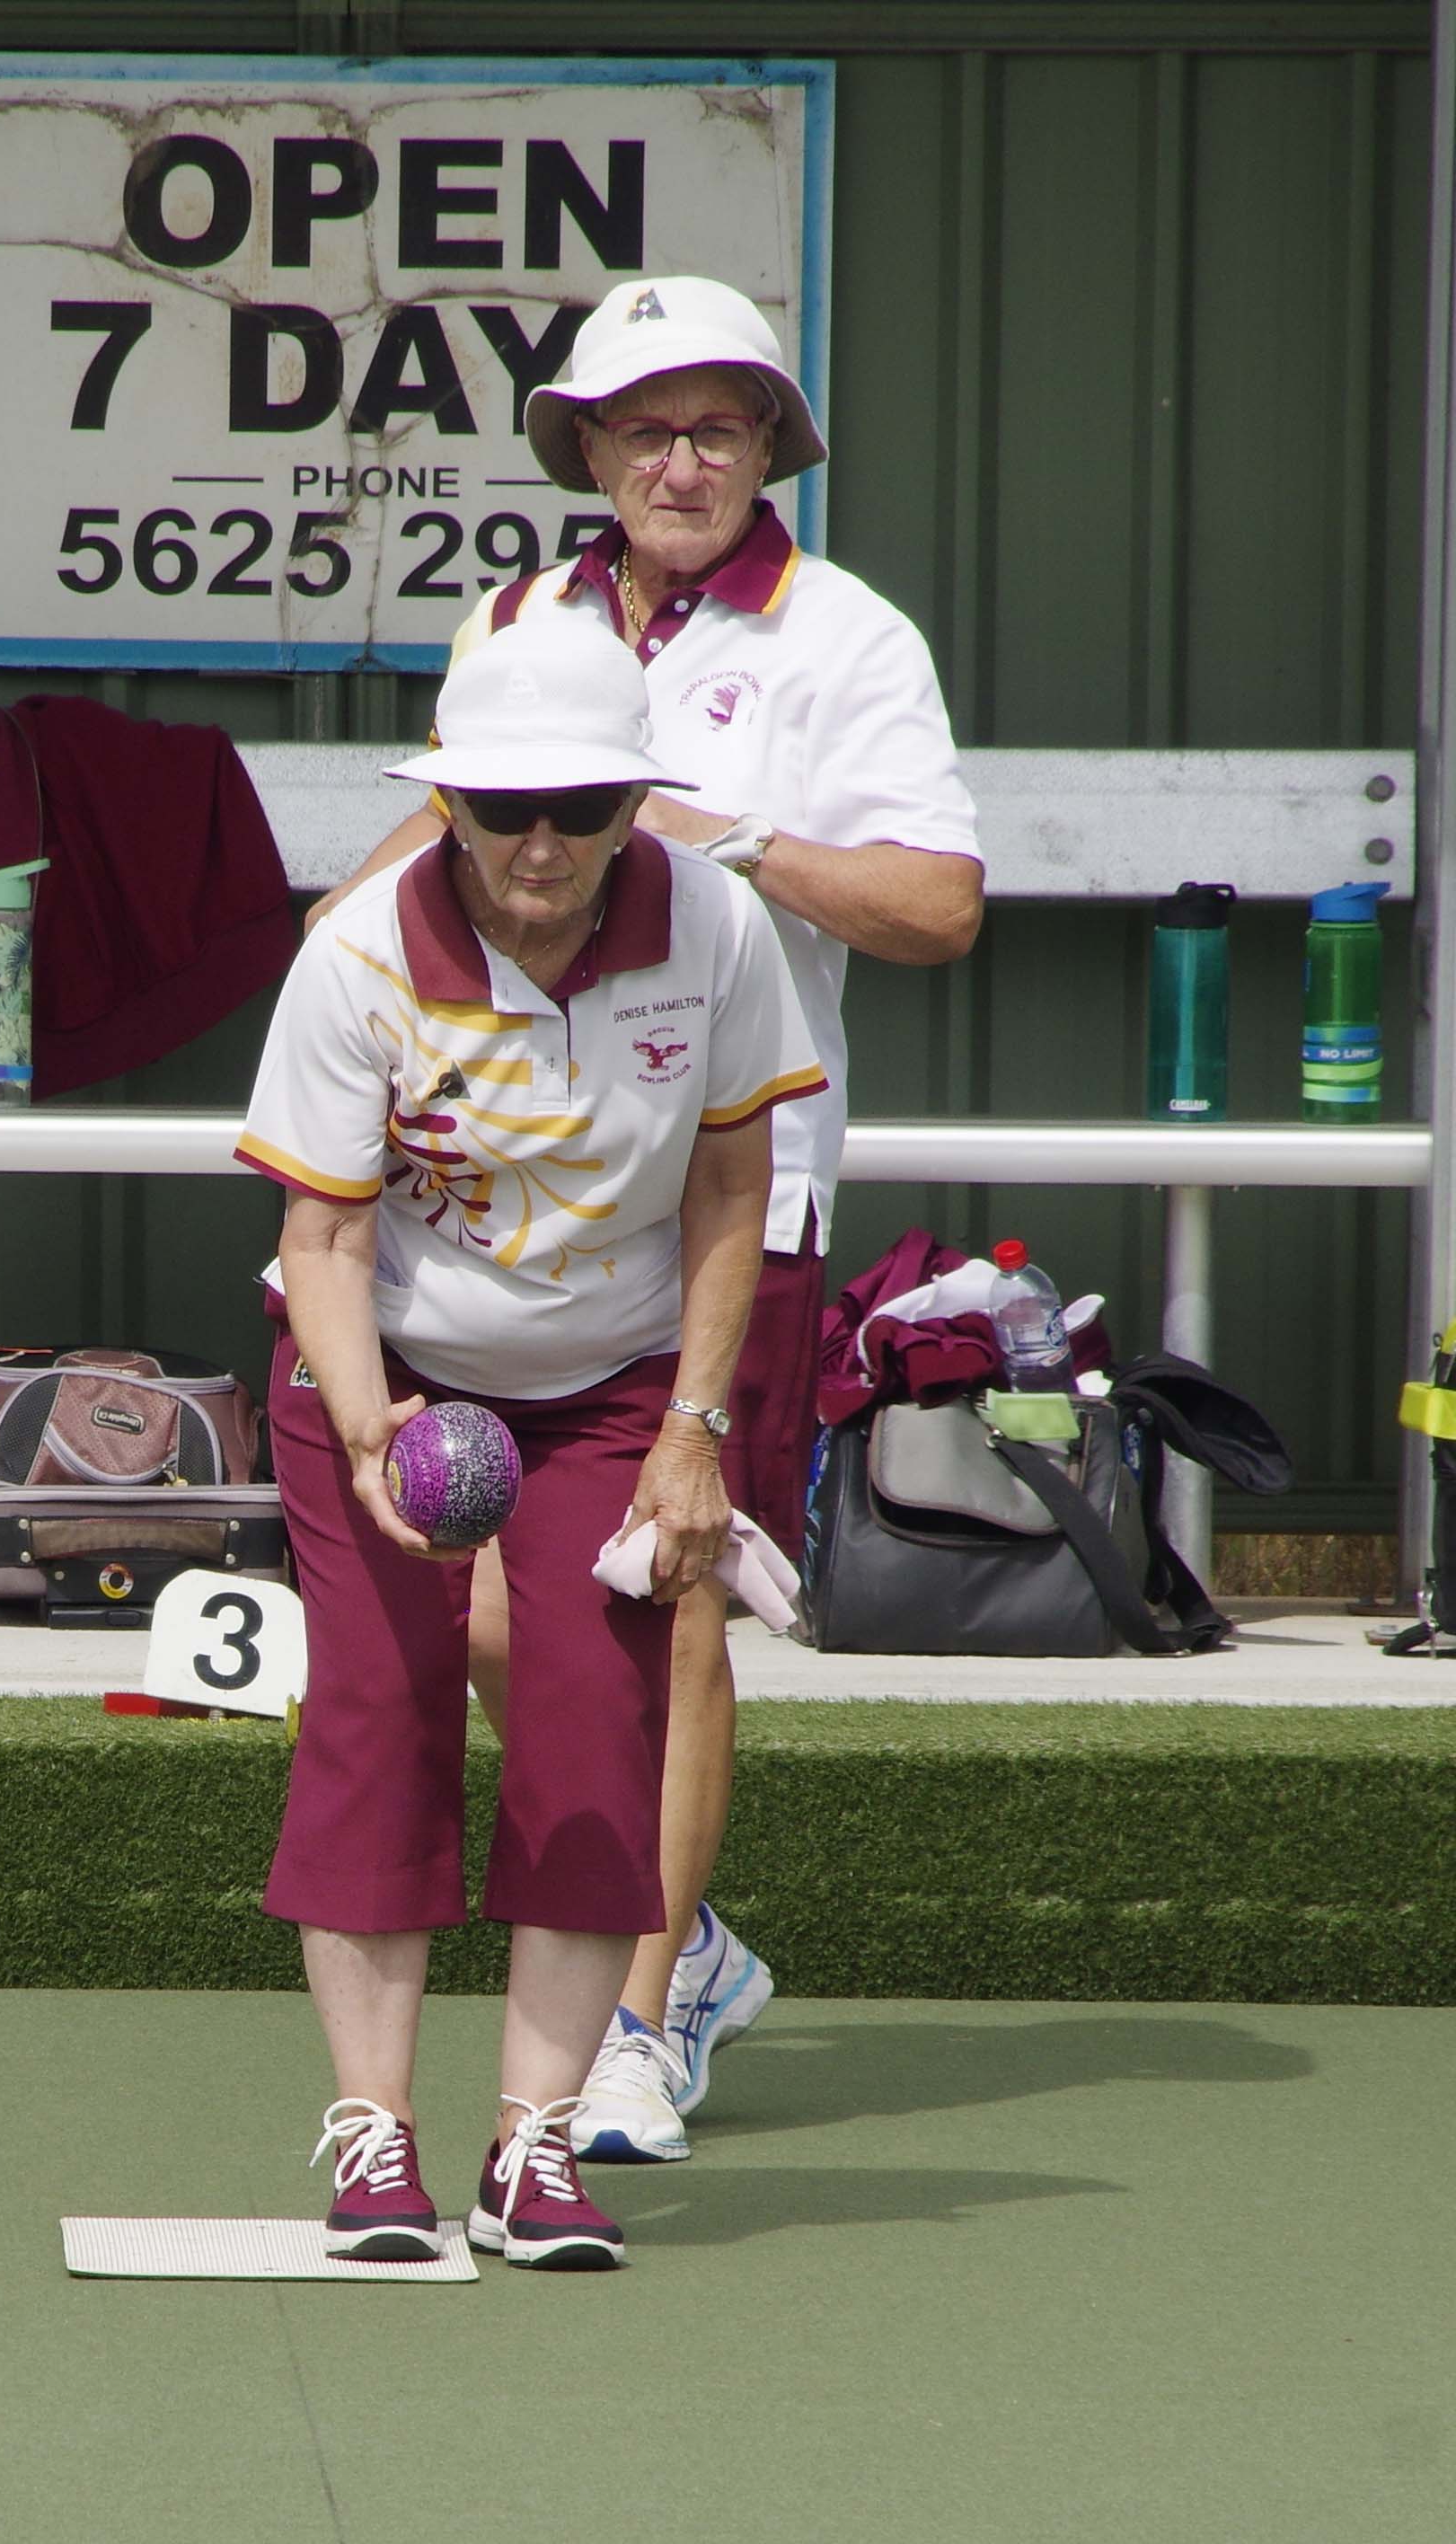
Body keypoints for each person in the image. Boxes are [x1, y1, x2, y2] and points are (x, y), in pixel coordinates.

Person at [306, 275, 983, 2164]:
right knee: (512, 1608)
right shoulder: (518, 617)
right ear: (584, 451)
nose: (682, 460)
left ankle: (642, 2000)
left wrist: (725, 835)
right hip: (483, 1220)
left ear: (770, 446)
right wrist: (330, 959)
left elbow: (934, 911)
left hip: (717, 1208)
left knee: (657, 1597)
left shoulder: (842, 635)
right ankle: (660, 1925)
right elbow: (432, 842)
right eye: (643, 426)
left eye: (721, 425)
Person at [235, 610, 824, 2271]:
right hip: (387, 1367)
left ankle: (533, 2147)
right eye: (503, 809)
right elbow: (324, 1241)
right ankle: (371, 2133)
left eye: (582, 804)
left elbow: (730, 1186)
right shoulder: (356, 954)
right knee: (377, 1711)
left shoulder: (717, 930)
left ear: (640, 804)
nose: (542, 841)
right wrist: (369, 1437)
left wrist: (696, 1429)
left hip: (621, 1376)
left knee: (591, 1725)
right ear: (446, 810)